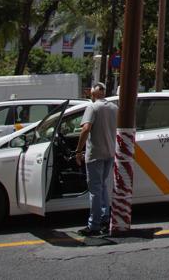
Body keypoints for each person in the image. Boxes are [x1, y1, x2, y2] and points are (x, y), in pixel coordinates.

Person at [75, 82, 118, 237]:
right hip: (110, 153)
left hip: (95, 154)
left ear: (92, 94)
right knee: (103, 187)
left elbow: (86, 129)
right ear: (104, 93)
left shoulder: (92, 108)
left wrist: (78, 151)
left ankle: (94, 225)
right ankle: (106, 218)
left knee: (95, 190)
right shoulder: (114, 108)